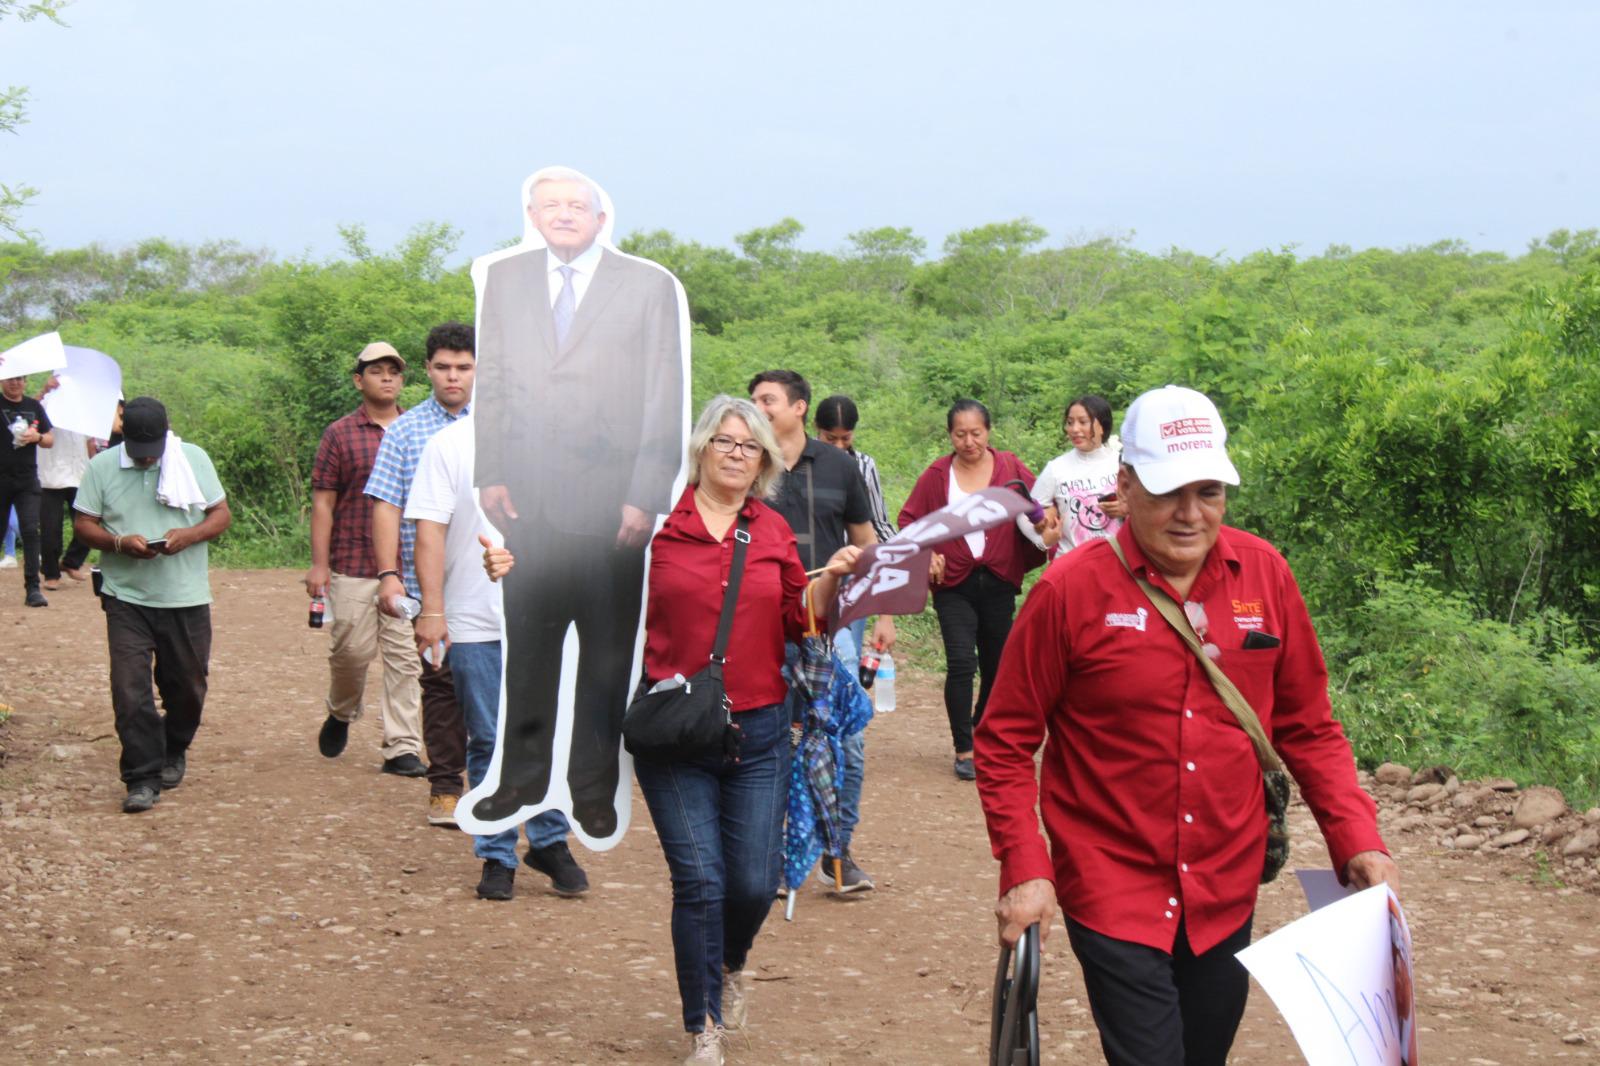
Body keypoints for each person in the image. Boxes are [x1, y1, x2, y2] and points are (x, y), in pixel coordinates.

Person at [974, 385, 1398, 1066]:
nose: (1190, 513)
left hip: (1226, 883)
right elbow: (1004, 740)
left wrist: (1357, 839)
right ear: (1125, 484)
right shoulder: (1069, 592)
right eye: (1170, 490)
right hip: (1111, 882)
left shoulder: (1265, 574)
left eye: (1209, 491)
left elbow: (1308, 725)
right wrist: (1025, 868)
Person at [484, 396, 857, 1066]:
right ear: (702, 448)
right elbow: (580, 586)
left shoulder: (770, 530)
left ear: (765, 460)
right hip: (675, 731)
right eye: (726, 441)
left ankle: (731, 964)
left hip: (760, 730)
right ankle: (702, 1027)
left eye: (751, 447)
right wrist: (514, 568)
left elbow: (798, 623)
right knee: (701, 882)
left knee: (751, 882)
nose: (737, 454)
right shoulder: (653, 532)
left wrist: (826, 586)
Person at [469, 166, 688, 840]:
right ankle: (521, 779)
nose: (563, 214)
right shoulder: (506, 281)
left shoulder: (646, 285)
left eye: (577, 205)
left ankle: (592, 787)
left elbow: (663, 390)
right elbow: (497, 379)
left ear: (600, 218)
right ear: (532, 214)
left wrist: (645, 494)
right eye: (550, 204)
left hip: (611, 508)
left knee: (603, 657)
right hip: (526, 502)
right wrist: (492, 471)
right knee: (530, 653)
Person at [406, 416, 587, 901]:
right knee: (488, 737)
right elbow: (430, 530)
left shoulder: (562, 435)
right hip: (475, 617)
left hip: (550, 613)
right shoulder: (449, 444)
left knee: (547, 731)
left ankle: (549, 840)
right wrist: (434, 608)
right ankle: (497, 853)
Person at [749, 370, 893, 893]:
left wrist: (883, 613)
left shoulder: (840, 465)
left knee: (845, 741)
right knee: (773, 740)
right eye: (754, 400)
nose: (758, 408)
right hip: (760, 624)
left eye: (768, 399)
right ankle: (780, 855)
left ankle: (839, 852)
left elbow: (865, 543)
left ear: (798, 407)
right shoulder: (745, 462)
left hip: (833, 626)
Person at [71, 397, 231, 813]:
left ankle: (173, 748)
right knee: (130, 690)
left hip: (185, 595)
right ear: (124, 434)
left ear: (166, 433)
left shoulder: (192, 459)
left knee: (188, 688)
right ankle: (141, 777)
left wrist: (190, 535)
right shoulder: (103, 466)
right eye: (138, 453)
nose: (146, 460)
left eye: (153, 453)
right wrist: (118, 543)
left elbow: (220, 514)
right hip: (126, 595)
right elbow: (84, 524)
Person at [897, 399, 1049, 780]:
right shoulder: (937, 475)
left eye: (976, 433)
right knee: (963, 662)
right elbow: (909, 520)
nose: (969, 442)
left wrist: (1049, 526)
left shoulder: (1009, 467)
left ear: (988, 431)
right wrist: (926, 552)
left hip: (998, 579)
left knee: (998, 666)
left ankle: (983, 729)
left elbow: (1039, 505)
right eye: (960, 434)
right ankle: (964, 747)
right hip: (954, 584)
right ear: (950, 436)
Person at [365, 323, 476, 827]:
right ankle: (447, 786)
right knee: (439, 682)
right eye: (444, 367)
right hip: (427, 584)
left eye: (464, 367)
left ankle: (496, 780)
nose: (453, 376)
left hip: (489, 580)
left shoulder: (500, 429)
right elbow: (386, 505)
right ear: (428, 369)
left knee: (494, 682)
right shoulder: (405, 432)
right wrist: (389, 574)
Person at [306, 343, 425, 776]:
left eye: (394, 371)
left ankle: (402, 747)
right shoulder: (340, 433)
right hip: (352, 561)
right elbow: (323, 503)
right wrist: (319, 564)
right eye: (377, 371)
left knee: (404, 658)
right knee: (351, 653)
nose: (387, 378)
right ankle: (341, 711)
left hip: (407, 566)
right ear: (360, 380)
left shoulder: (417, 430)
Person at [1027, 393, 1128, 558]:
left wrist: (1127, 508)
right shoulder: (1056, 468)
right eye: (1070, 422)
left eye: (1083, 422)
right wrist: (1042, 534)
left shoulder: (1121, 463)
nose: (1074, 429)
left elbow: (1151, 507)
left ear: (1102, 426)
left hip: (1118, 562)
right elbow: (1028, 512)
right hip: (1072, 563)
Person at [33, 376, 94, 589]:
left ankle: (71, 562)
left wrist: (95, 467)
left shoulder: (83, 410)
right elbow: (27, 413)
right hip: (50, 475)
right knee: (50, 527)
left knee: (90, 520)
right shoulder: (45, 405)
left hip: (79, 473)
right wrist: (43, 391)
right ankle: (50, 572)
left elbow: (90, 442)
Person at [1, 373, 55, 606]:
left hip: (27, 479)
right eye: (10, 378)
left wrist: (37, 436)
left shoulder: (33, 406)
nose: (15, 382)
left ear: (25, 381)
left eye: (20, 378)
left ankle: (33, 588)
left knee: (31, 531)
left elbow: (50, 439)